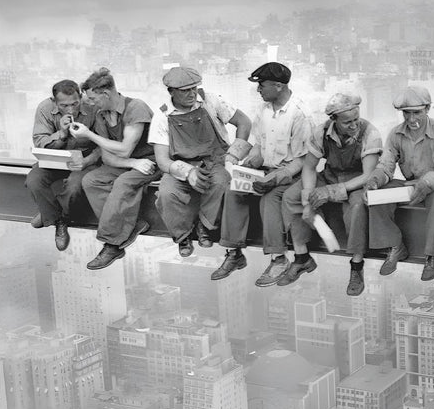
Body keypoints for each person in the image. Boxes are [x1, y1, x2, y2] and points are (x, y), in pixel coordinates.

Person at [211, 62, 312, 285]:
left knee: (270, 198)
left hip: (291, 176)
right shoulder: (264, 110)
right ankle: (234, 252)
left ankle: (278, 259)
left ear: (278, 86)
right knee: (234, 189)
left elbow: (301, 161)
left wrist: (274, 178)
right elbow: (258, 144)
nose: (258, 90)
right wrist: (251, 162)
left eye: (262, 85)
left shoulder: (300, 114)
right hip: (266, 170)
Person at [281, 92, 383, 296]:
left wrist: (330, 192)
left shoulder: (370, 133)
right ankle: (302, 257)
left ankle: (356, 265)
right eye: (347, 123)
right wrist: (308, 201)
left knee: (357, 207)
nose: (354, 125)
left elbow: (367, 175)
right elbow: (309, 168)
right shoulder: (321, 132)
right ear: (334, 120)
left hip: (356, 181)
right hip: (330, 175)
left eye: (356, 120)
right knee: (291, 196)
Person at [149, 66, 252, 258]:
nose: (191, 94)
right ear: (171, 91)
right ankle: (183, 235)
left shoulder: (210, 100)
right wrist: (188, 172)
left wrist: (233, 156)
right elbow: (162, 160)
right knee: (166, 193)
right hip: (181, 164)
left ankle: (205, 227)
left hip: (215, 160)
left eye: (194, 88)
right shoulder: (162, 115)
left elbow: (244, 123)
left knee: (221, 183)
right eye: (184, 90)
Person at [363, 85, 434, 280]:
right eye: (407, 113)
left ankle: (431, 256)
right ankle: (395, 245)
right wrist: (374, 181)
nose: (412, 119)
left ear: (428, 109)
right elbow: (386, 166)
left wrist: (426, 183)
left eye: (417, 113)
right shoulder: (396, 134)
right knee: (377, 196)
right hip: (411, 185)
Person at [69, 68, 156, 270]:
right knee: (91, 180)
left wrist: (89, 135)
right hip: (132, 163)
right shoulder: (102, 115)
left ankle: (112, 244)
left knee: (123, 183)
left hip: (151, 161)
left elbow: (124, 149)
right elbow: (107, 155)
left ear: (106, 94)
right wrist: (131, 164)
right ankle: (132, 225)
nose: (89, 103)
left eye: (92, 98)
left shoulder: (136, 108)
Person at [25, 78, 100, 251]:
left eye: (74, 104)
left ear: (80, 97)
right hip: (54, 159)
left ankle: (50, 214)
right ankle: (57, 219)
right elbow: (40, 141)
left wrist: (87, 160)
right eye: (64, 106)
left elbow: (103, 143)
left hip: (84, 160)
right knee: (34, 181)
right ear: (54, 102)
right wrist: (62, 133)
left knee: (74, 187)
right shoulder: (44, 108)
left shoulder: (93, 107)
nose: (71, 109)